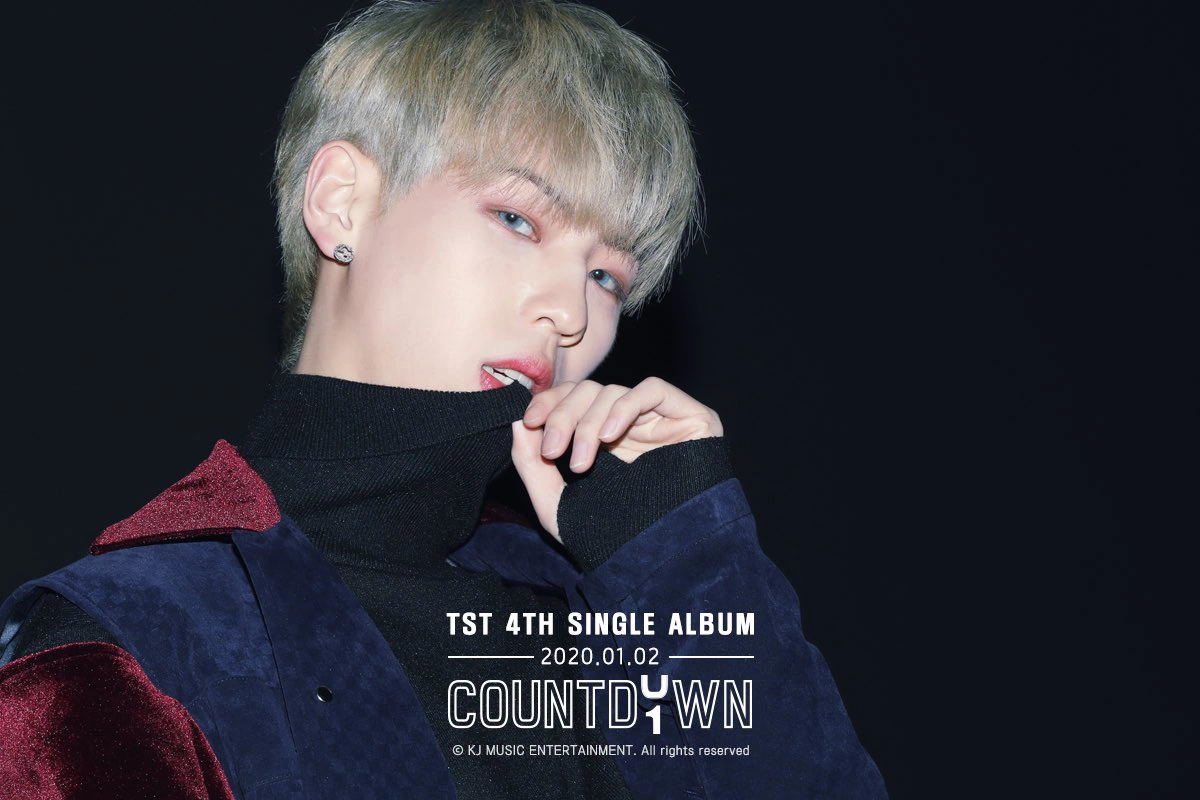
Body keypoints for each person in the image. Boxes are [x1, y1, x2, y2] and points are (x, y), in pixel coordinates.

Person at [0, 1, 887, 797]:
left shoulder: (597, 618)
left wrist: (681, 558)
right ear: (342, 203)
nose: (572, 313)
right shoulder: (140, 642)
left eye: (607, 276)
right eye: (518, 220)